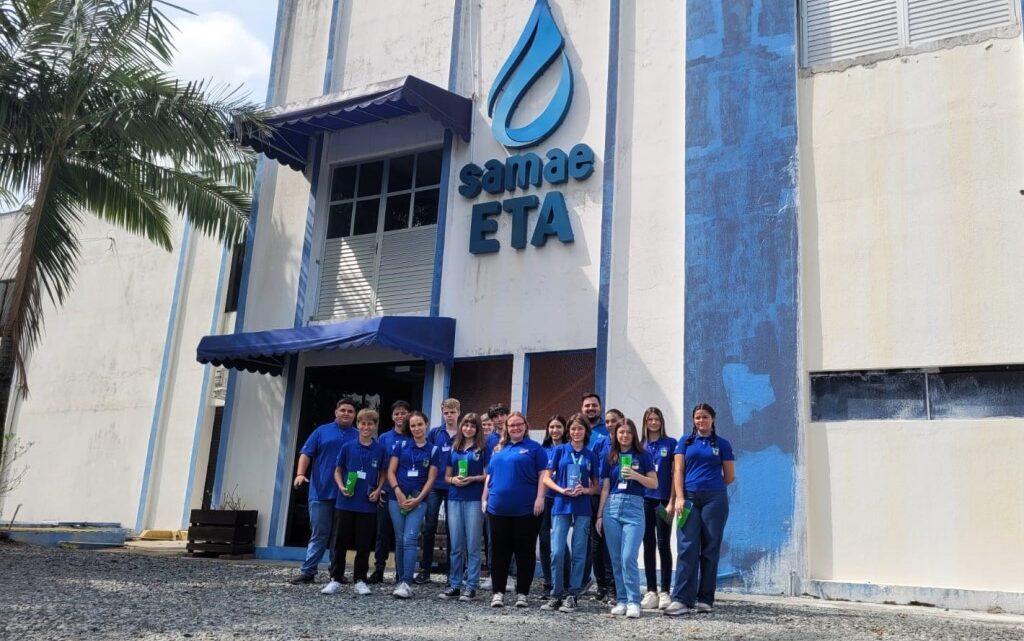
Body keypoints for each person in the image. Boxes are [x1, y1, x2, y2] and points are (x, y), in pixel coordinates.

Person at [665, 403, 736, 616]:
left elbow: (729, 476)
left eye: (705, 417)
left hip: (715, 499)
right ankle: (681, 599)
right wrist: (679, 497)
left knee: (710, 548)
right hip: (688, 499)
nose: (701, 421)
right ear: (693, 420)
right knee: (687, 547)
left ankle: (705, 599)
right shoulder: (684, 442)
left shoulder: (722, 444)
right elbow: (678, 471)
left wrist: (712, 487)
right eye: (697, 417)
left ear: (712, 419)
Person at [482, 411, 547, 608]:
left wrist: (540, 498)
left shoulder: (535, 448)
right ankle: (498, 592)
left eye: (519, 424)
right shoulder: (498, 448)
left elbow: (543, 475)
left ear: (525, 427)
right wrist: (484, 498)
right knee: (499, 552)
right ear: (506, 428)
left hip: (526, 510)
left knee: (524, 552)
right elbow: (490, 475)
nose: (515, 428)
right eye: (512, 425)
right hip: (498, 508)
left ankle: (522, 594)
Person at [288, 398, 357, 584]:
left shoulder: (358, 435)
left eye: (350, 411)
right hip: (320, 491)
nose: (346, 413)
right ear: (336, 412)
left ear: (354, 415)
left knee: (339, 536)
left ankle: (336, 573)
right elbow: (306, 453)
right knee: (319, 534)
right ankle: (308, 571)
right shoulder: (321, 431)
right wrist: (300, 474)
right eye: (343, 410)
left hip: (345, 494)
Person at [321, 408, 387, 596]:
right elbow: (338, 470)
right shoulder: (347, 447)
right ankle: (335, 578)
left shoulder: (380, 449)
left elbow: (383, 473)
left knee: (363, 544)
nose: (366, 427)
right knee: (340, 542)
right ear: (358, 425)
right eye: (362, 423)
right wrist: (341, 486)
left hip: (367, 504)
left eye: (370, 424)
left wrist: (378, 490)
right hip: (346, 502)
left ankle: (360, 579)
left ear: (375, 426)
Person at [597, 418, 658, 618]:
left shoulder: (643, 455)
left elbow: (654, 483)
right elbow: (605, 488)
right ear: (616, 435)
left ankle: (634, 601)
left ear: (634, 435)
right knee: (616, 559)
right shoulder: (610, 455)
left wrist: (635, 475)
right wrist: (599, 515)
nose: (625, 435)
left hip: (634, 507)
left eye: (628, 432)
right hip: (612, 508)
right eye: (621, 432)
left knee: (628, 557)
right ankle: (622, 600)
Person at [540, 413, 599, 613]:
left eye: (580, 429)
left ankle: (573, 595)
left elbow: (597, 486)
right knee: (557, 551)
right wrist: (561, 490)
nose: (576, 432)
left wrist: (586, 490)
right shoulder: (559, 450)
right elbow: (546, 479)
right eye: (573, 429)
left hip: (582, 506)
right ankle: (556, 594)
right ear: (569, 431)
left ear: (586, 431)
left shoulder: (591, 455)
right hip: (561, 504)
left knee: (579, 552)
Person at [387, 411, 439, 598]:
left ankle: (407, 582)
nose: (417, 428)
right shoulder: (400, 445)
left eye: (420, 424)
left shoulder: (433, 450)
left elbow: (431, 479)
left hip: (419, 500)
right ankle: (401, 580)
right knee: (400, 539)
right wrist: (398, 492)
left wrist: (418, 499)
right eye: (413, 425)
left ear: (426, 424)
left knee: (410, 538)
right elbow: (391, 472)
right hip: (396, 499)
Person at [440, 413, 490, 601]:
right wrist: (453, 480)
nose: (468, 429)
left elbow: (488, 475)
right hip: (454, 498)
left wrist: (473, 478)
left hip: (474, 499)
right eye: (466, 425)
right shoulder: (455, 448)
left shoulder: (483, 449)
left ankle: (471, 585)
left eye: (472, 426)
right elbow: (446, 476)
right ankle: (454, 584)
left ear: (477, 429)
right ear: (461, 427)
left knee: (473, 545)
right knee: (456, 545)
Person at [417, 398, 461, 584]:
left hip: (454, 486)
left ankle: (453, 571)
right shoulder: (435, 433)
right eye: (446, 413)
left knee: (453, 529)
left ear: (458, 412)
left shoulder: (463, 432)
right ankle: (425, 569)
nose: (449, 416)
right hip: (434, 486)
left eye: (452, 412)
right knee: (429, 527)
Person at [640, 406, 677, 610]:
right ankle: (651, 591)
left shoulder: (670, 444)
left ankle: (665, 591)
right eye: (650, 419)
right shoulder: (640, 445)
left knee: (663, 544)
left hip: (663, 500)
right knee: (648, 544)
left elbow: (675, 474)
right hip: (645, 500)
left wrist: (672, 501)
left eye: (657, 419)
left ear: (661, 422)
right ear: (645, 422)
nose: (653, 422)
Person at [370, 400, 410, 584]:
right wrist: (377, 489)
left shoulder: (413, 436)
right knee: (382, 533)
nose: (400, 416)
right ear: (392, 416)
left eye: (403, 413)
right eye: (397, 413)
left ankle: (400, 573)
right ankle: (379, 570)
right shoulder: (384, 438)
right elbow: (379, 467)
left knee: (402, 535)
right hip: (386, 491)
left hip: (408, 494)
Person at [583, 397, 615, 601]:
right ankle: (600, 584)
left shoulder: (621, 440)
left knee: (610, 541)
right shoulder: (598, 442)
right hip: (596, 494)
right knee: (595, 540)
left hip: (616, 495)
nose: (611, 424)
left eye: (594, 405)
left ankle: (613, 585)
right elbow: (591, 465)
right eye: (587, 405)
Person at [481, 402, 510, 591]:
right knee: (492, 537)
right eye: (495, 417)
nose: (499, 419)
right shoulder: (488, 440)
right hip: (493, 492)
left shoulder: (516, 435)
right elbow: (486, 469)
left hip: (513, 491)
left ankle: (510, 576)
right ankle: (494, 574)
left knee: (511, 537)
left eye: (502, 415)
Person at [539, 415, 568, 597]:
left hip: (562, 499)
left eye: (558, 427)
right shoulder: (542, 450)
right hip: (544, 499)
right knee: (544, 541)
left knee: (560, 542)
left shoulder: (568, 449)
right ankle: (548, 581)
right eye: (552, 427)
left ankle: (564, 582)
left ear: (564, 429)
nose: (555, 430)